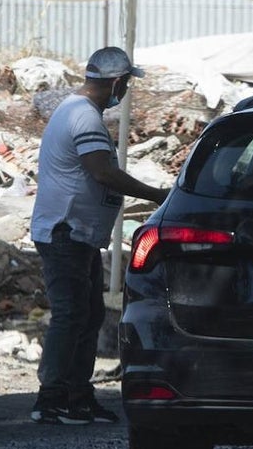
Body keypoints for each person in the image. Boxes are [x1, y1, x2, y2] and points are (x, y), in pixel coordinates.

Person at [29, 46, 169, 425]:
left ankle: (77, 394)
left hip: (79, 234)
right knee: (72, 314)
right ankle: (52, 397)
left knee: (87, 314)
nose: (123, 93)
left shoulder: (77, 112)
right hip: (66, 232)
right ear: (117, 82)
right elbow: (102, 172)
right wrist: (157, 195)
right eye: (125, 85)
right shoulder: (84, 118)